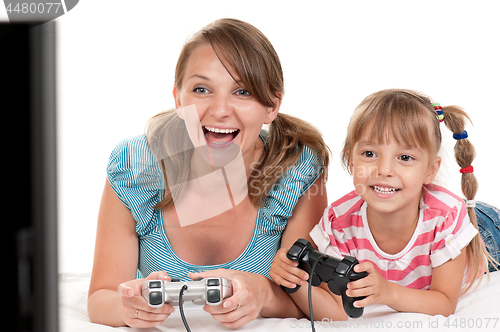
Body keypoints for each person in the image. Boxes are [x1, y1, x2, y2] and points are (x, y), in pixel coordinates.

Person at [87, 18, 330, 328]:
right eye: (202, 89)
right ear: (178, 98)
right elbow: (101, 298)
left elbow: (313, 302)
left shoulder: (298, 168)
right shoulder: (135, 165)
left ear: (271, 107)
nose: (219, 110)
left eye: (242, 92)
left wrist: (261, 294)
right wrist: (128, 308)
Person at [270, 88, 499, 320]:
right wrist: (294, 282)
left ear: (430, 170)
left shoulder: (446, 216)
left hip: (487, 232)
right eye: (370, 153)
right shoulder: (338, 224)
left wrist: (388, 292)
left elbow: (444, 302)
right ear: (350, 160)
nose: (384, 170)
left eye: (405, 158)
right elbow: (337, 312)